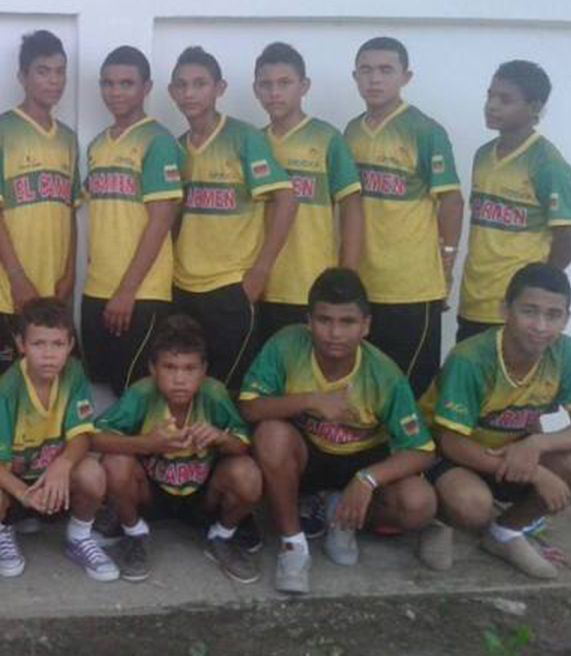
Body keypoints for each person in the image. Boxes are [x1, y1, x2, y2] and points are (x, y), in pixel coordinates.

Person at [240, 268, 437, 595]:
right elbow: (249, 407)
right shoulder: (287, 345)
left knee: (419, 503)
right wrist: (312, 400)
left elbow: (422, 451)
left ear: (366, 325)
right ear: (308, 320)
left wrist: (367, 479)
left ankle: (339, 515)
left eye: (347, 322)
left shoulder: (384, 374)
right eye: (324, 320)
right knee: (270, 434)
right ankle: (293, 545)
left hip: (361, 459)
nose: (334, 333)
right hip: (307, 457)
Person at [420, 263, 571, 578]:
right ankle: (441, 521)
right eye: (529, 311)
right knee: (472, 505)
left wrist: (537, 443)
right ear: (505, 310)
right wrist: (537, 473)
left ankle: (504, 532)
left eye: (553, 315)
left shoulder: (566, 352)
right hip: (448, 454)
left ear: (566, 319)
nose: (540, 326)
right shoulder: (471, 358)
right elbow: (452, 442)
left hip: (510, 450)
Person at [94, 314, 262, 584]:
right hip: (151, 494)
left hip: (203, 496)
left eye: (189, 368)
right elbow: (95, 438)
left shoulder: (214, 394)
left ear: (203, 370)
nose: (179, 379)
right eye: (170, 367)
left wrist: (221, 438)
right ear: (153, 368)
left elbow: (243, 445)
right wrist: (146, 443)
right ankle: (135, 532)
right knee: (115, 462)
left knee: (247, 472)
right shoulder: (141, 393)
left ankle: (222, 536)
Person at [170, 46, 297, 392]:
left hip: (230, 287)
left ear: (219, 88)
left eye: (200, 84)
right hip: (182, 286)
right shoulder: (176, 147)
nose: (190, 93)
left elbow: (286, 199)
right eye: (182, 85)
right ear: (172, 92)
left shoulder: (244, 137)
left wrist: (260, 272)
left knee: (227, 391)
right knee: (187, 387)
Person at [344, 36, 463, 397]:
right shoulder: (351, 131)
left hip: (412, 286)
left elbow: (452, 201)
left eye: (385, 70)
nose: (375, 79)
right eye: (366, 70)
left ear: (405, 76)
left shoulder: (425, 131)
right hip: (363, 283)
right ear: (355, 76)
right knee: (368, 389)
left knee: (411, 392)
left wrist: (446, 264)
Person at [0, 297, 116, 581]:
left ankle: (79, 536)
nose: (49, 354)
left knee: (93, 473)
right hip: (13, 486)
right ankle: (2, 532)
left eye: (57, 344)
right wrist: (23, 494)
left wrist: (63, 464)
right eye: (38, 344)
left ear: (70, 345)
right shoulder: (7, 390)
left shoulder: (73, 372)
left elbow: (82, 433)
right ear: (21, 344)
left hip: (53, 480)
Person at [81, 46, 183, 396]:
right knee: (102, 384)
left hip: (141, 292)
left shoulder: (158, 141)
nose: (116, 92)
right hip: (97, 287)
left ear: (146, 87)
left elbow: (161, 220)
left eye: (126, 83)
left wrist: (127, 291)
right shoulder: (97, 145)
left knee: (137, 392)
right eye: (108, 83)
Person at [457, 61, 571, 342]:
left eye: (505, 99)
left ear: (534, 108)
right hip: (474, 299)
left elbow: (569, 240)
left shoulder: (549, 165)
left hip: (515, 310)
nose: (492, 106)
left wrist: (536, 290)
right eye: (490, 96)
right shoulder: (483, 155)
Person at [0, 30, 80, 374]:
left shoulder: (68, 138)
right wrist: (16, 276)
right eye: (43, 71)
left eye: (60, 71)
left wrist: (70, 271)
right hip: (13, 288)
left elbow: (70, 211)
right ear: (23, 76)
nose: (53, 80)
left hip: (55, 287)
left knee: (56, 378)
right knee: (9, 379)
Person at [251, 42, 363, 338]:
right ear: (255, 89)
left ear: (304, 86)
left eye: (284, 83)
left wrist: (348, 278)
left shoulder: (327, 138)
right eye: (266, 84)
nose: (275, 92)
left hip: (311, 283)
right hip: (259, 284)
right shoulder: (253, 142)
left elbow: (351, 207)